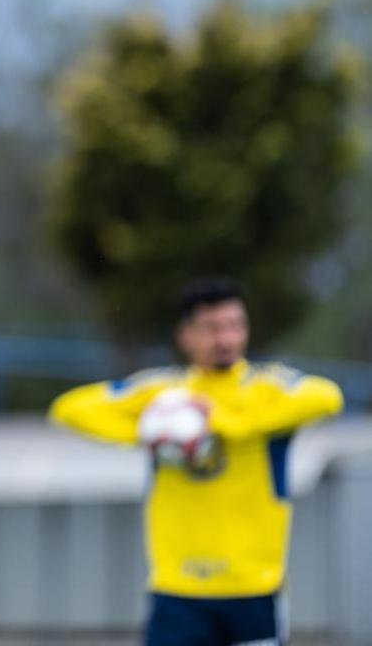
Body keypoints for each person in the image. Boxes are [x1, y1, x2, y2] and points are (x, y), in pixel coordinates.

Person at [49, 276, 343, 646]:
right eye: (212, 328)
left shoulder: (266, 388)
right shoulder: (164, 393)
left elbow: (327, 397)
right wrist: (152, 431)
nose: (226, 339)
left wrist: (219, 423)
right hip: (177, 589)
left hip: (253, 589)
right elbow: (69, 408)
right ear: (185, 335)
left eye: (235, 326)